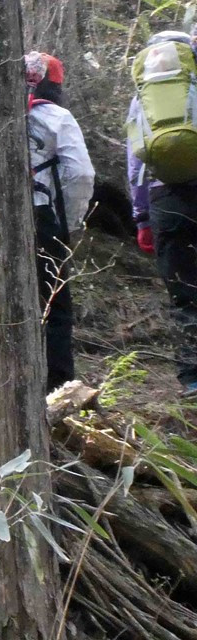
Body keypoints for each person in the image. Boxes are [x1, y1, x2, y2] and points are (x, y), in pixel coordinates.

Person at [127, 30, 197, 396]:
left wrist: (141, 217)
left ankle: (192, 378)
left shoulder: (144, 98)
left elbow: (135, 161)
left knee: (183, 292)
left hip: (165, 199)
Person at [24, 52, 95, 391]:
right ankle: (57, 386)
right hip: (41, 217)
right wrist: (72, 221)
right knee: (54, 304)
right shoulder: (56, 117)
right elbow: (80, 173)